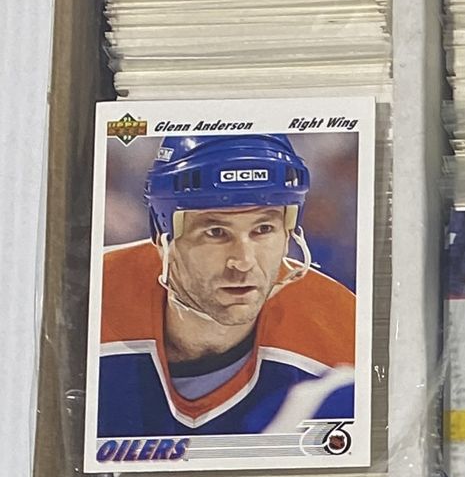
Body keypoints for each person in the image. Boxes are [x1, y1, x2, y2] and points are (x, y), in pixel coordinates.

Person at [97, 132, 356, 441]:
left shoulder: (341, 328)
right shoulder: (90, 298)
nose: (243, 262)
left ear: (290, 233)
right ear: (162, 237)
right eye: (216, 232)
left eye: (263, 229)